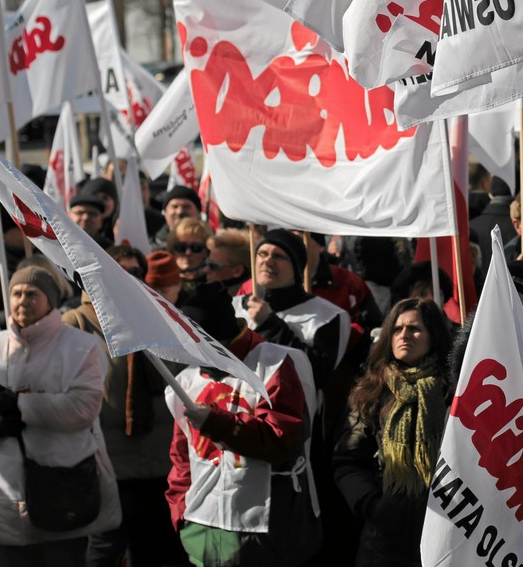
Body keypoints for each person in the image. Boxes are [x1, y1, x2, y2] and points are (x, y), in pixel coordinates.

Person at [0, 266, 121, 566]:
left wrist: (22, 406)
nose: (22, 300)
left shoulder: (83, 347)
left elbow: (83, 408)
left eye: (32, 293)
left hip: (63, 490)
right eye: (16, 293)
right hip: (4, 493)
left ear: (51, 301)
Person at [166, 283, 321, 566]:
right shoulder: (186, 379)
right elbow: (181, 458)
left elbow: (280, 440)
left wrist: (218, 423)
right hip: (202, 527)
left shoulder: (273, 364)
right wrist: (180, 512)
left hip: (264, 531)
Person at [62, 284, 183, 567]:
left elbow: (178, 384)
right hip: (108, 464)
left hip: (159, 463)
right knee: (105, 548)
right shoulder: (75, 324)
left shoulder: (156, 319)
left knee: (152, 547)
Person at [334, 298, 452, 567]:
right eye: (397, 329)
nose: (404, 336)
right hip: (385, 534)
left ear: (434, 334)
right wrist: (375, 505)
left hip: (445, 525)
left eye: (414, 329)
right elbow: (347, 461)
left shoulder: (454, 391)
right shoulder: (370, 393)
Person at [242, 229, 350, 389]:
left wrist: (271, 325)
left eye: (278, 256)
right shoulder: (234, 305)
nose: (268, 261)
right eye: (262, 254)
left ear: (296, 266)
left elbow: (317, 374)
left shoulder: (329, 316)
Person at [167, 217, 213, 295]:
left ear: (207, 251)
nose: (188, 253)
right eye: (181, 247)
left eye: (196, 247)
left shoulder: (214, 285)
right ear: (172, 250)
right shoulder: (162, 282)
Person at [150, 186, 201, 250]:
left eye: (186, 206)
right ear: (165, 212)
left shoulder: (211, 246)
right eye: (174, 206)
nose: (180, 212)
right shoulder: (150, 249)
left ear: (198, 212)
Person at [204, 228, 251, 294]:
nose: (206, 270)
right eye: (207, 263)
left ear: (237, 271)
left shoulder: (244, 300)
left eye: (214, 266)